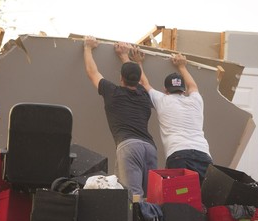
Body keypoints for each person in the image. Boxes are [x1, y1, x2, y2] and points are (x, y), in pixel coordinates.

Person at [83, 36, 157, 201]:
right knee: (150, 196)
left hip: (130, 147)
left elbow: (92, 72)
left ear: (120, 78)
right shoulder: (145, 96)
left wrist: (88, 48)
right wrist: (126, 57)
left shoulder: (113, 92)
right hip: (150, 148)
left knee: (132, 197)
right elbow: (143, 82)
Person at [130, 48, 213, 184]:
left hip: (179, 155)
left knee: (179, 195)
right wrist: (182, 66)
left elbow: (144, 84)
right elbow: (193, 85)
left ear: (165, 90)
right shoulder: (196, 100)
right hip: (203, 156)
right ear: (183, 90)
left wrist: (138, 62)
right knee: (204, 198)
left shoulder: (162, 100)